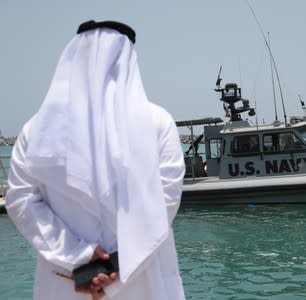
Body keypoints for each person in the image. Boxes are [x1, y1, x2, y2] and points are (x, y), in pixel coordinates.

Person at [6, 20, 186, 299]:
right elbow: (163, 202)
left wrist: (81, 257)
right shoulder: (158, 123)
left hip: (65, 282)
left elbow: (21, 202)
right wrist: (114, 266)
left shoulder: (35, 130)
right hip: (142, 281)